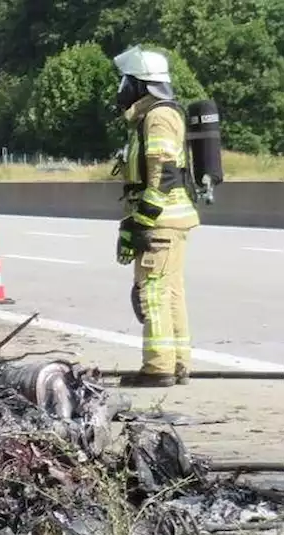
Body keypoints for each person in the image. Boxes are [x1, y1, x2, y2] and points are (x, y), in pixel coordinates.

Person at [112, 45, 200, 388]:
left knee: (152, 291)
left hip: (161, 219)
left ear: (141, 84)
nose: (122, 89)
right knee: (171, 292)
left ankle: (158, 367)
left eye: (126, 82)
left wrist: (141, 220)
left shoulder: (159, 117)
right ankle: (178, 363)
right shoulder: (150, 116)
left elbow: (162, 172)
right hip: (170, 217)